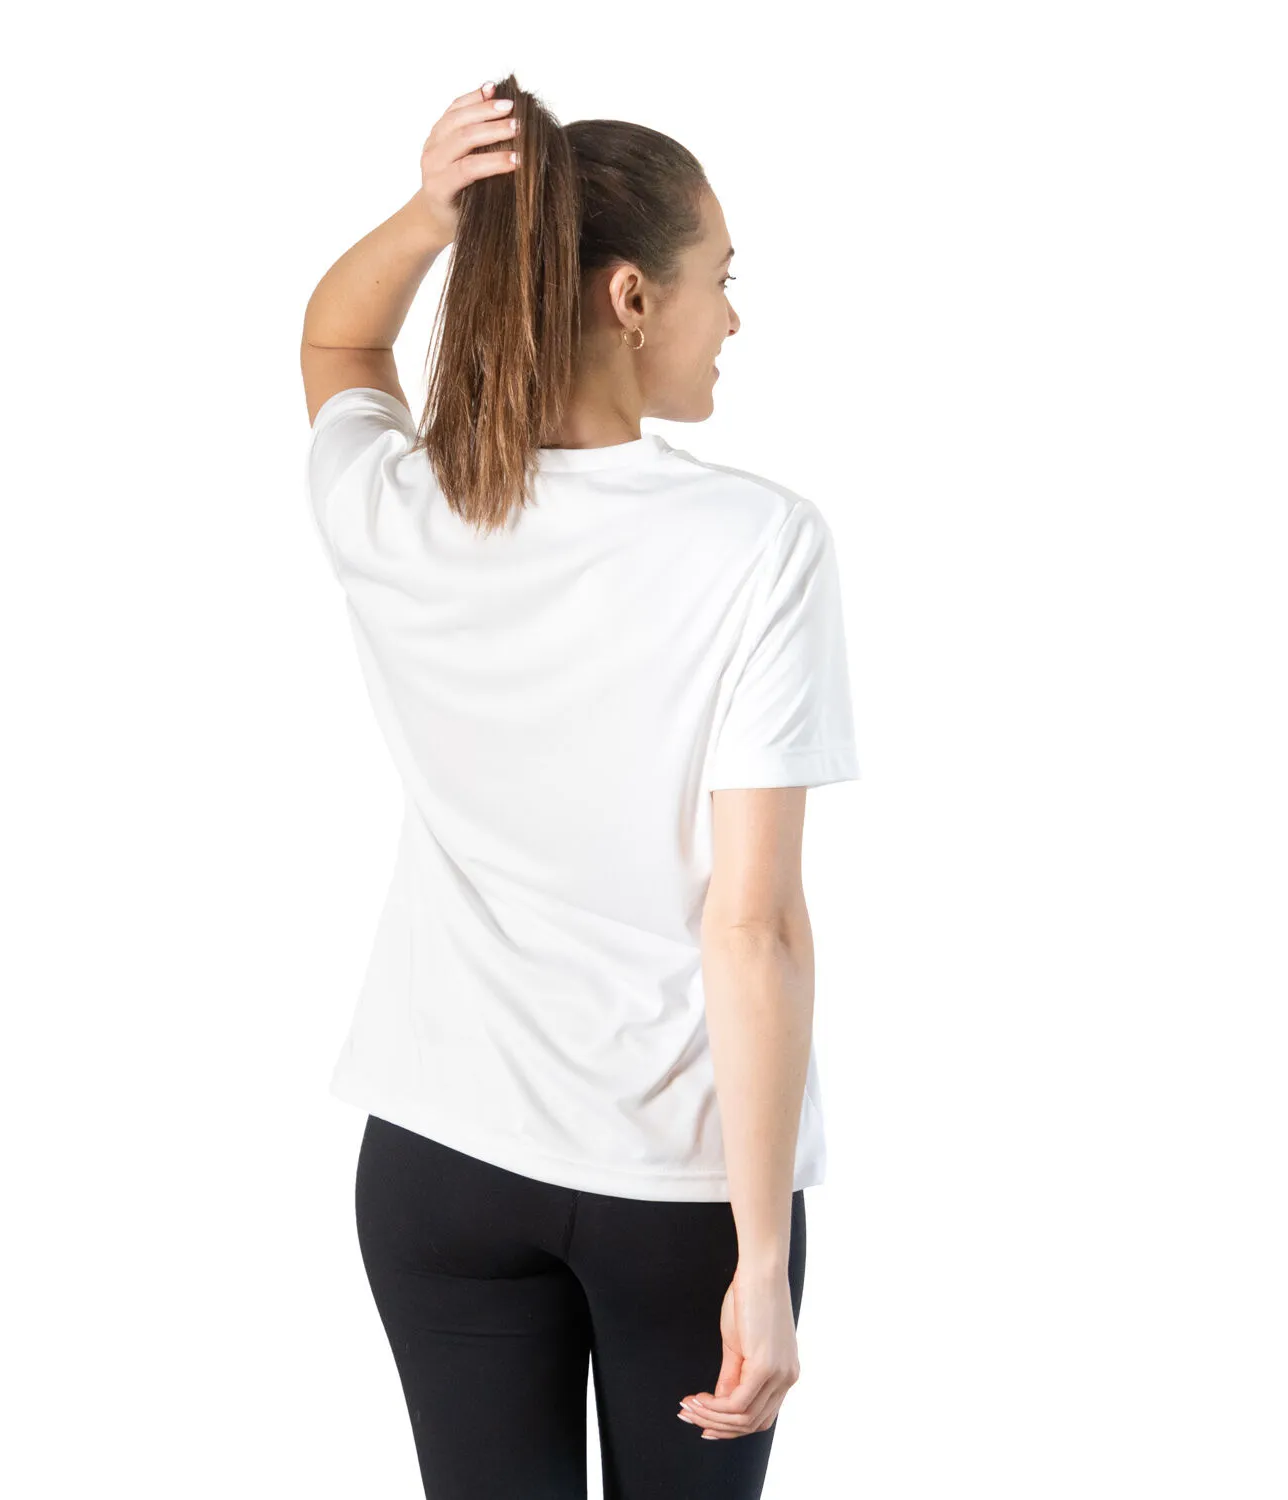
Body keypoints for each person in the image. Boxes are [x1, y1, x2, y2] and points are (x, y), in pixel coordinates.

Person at [300, 73, 861, 1499]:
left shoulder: (399, 505)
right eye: (721, 280)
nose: (732, 318)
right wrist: (761, 1259)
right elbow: (753, 927)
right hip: (673, 1190)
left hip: (437, 1165)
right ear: (630, 297)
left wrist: (433, 215)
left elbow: (339, 336)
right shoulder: (759, 546)